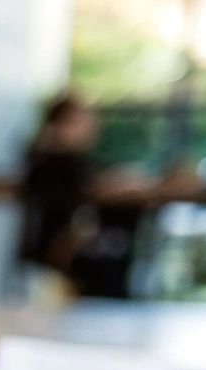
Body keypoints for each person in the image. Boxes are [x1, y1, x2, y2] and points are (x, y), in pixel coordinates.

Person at [17, 93, 136, 299]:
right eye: (78, 121)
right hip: (54, 270)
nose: (88, 127)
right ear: (56, 125)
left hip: (66, 271)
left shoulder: (81, 164)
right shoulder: (50, 164)